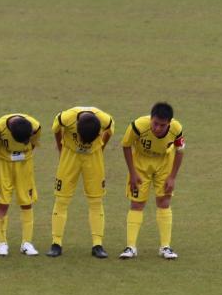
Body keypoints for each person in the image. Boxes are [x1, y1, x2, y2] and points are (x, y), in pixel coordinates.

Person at [120, 102, 185, 260]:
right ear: (151, 118)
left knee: (164, 202)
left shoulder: (176, 129)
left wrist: (172, 177)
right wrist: (132, 173)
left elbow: (180, 151)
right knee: (137, 203)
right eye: (155, 123)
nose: (157, 128)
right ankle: (131, 247)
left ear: (169, 123)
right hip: (140, 165)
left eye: (162, 125)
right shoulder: (138, 126)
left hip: (164, 164)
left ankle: (165, 247)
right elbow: (126, 146)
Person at [48, 106, 114, 258]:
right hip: (70, 156)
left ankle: (97, 245)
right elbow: (56, 129)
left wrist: (101, 147)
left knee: (96, 200)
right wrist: (60, 147)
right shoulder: (65, 118)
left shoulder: (105, 120)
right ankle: (56, 243)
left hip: (93, 158)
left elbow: (110, 131)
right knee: (61, 199)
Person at [0, 112, 42, 256]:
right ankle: (1, 243)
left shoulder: (35, 126)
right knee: (2, 203)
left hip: (24, 165)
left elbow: (34, 143)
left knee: (27, 202)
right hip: (3, 165)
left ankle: (27, 243)